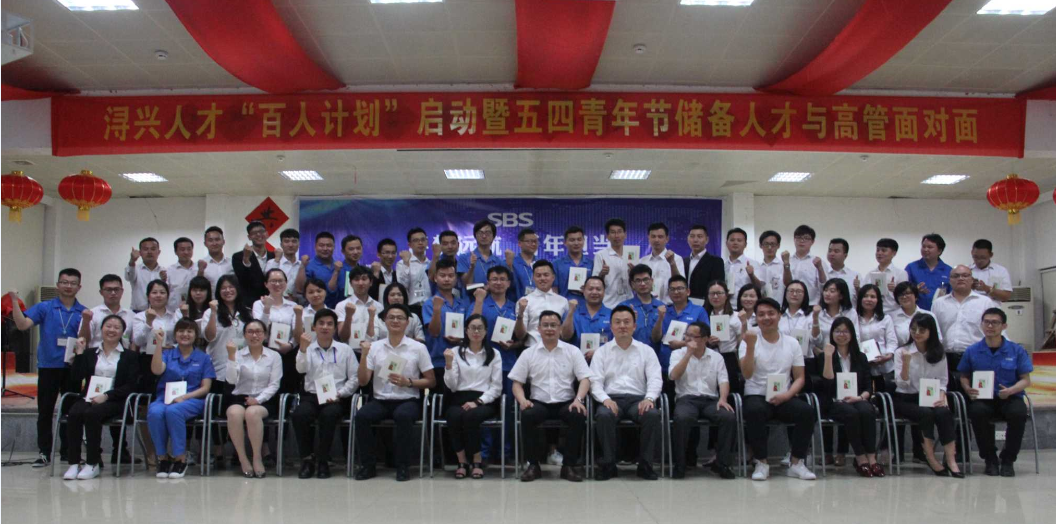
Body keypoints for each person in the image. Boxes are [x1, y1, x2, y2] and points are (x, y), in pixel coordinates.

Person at [739, 298, 817, 481]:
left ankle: (796, 463)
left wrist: (787, 395)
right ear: (756, 317)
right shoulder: (748, 340)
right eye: (761, 314)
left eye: (771, 313)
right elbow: (747, 374)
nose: (766, 318)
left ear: (779, 315)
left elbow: (800, 377)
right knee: (755, 411)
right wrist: (750, 347)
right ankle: (761, 462)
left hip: (784, 395)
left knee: (807, 412)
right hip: (757, 394)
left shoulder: (792, 343)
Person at [355, 304, 436, 482]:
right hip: (381, 400)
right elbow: (363, 381)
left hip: (408, 399)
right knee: (361, 416)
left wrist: (409, 382)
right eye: (391, 317)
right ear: (385, 321)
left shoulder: (418, 347)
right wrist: (363, 356)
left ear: (407, 322)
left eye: (400, 318)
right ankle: (368, 465)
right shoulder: (374, 347)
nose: (395, 321)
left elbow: (431, 381)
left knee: (403, 416)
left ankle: (403, 466)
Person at [510, 310, 592, 482]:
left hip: (566, 402)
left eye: (553, 325)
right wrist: (523, 400)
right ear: (538, 329)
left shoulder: (572, 351)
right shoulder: (529, 353)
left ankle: (568, 466)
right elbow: (517, 383)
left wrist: (578, 400)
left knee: (577, 414)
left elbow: (585, 379)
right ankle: (533, 465)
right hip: (539, 402)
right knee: (527, 414)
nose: (549, 329)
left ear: (560, 328)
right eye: (545, 325)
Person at [590, 306, 663, 481]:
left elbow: (655, 378)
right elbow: (594, 382)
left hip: (638, 400)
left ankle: (645, 465)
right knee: (604, 415)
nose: (622, 326)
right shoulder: (601, 352)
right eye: (618, 322)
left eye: (626, 322)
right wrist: (605, 399)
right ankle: (608, 465)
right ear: (611, 327)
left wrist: (649, 398)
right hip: (611, 398)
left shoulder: (646, 351)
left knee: (652, 414)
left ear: (634, 326)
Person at [61, 316, 139, 480]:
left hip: (116, 400)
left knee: (92, 414)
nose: (112, 330)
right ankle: (74, 463)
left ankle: (92, 463)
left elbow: (131, 385)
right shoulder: (90, 353)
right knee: (74, 413)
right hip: (89, 397)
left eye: (116, 327)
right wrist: (79, 353)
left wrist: (107, 395)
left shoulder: (130, 356)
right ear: (101, 329)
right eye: (108, 326)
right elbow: (75, 378)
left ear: (122, 333)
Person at [958, 308, 1032, 477]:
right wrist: (967, 388)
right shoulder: (972, 350)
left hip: (1010, 397)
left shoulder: (1016, 350)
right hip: (983, 398)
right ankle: (990, 458)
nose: (990, 326)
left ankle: (1008, 459)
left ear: (1004, 326)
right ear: (982, 325)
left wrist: (1011, 390)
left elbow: (1026, 380)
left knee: (1018, 413)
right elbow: (964, 376)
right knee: (977, 412)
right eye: (986, 322)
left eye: (995, 322)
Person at [893, 313, 963, 477]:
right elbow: (901, 384)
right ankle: (931, 458)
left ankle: (951, 460)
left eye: (922, 330)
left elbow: (943, 380)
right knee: (926, 414)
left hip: (930, 396)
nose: (917, 333)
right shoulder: (901, 352)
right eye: (913, 329)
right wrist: (906, 364)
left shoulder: (939, 352)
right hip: (906, 398)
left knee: (944, 412)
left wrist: (942, 396)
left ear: (931, 331)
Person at [293, 309, 358, 479]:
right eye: (321, 323)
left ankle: (323, 460)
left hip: (336, 397)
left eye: (329, 324)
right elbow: (301, 369)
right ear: (314, 327)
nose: (325, 327)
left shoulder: (345, 350)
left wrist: (341, 393)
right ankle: (307, 460)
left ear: (335, 328)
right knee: (300, 415)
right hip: (311, 395)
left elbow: (354, 378)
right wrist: (302, 349)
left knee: (329, 415)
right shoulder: (307, 348)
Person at [147, 318, 216, 479]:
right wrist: (159, 344)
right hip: (165, 399)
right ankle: (163, 458)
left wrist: (184, 397)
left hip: (192, 400)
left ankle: (180, 458)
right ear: (175, 334)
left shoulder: (203, 358)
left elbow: (205, 388)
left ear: (196, 335)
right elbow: (156, 370)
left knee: (174, 411)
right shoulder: (167, 354)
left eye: (189, 331)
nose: (185, 334)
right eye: (181, 331)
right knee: (155, 411)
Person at [669, 322, 736, 479]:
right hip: (686, 399)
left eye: (693, 336)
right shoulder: (677, 354)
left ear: (705, 339)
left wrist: (723, 398)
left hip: (710, 399)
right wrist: (688, 354)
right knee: (682, 418)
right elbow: (673, 376)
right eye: (687, 335)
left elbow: (723, 380)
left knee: (728, 417)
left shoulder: (716, 357)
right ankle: (680, 464)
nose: (688, 339)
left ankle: (723, 464)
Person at [820, 318, 884, 477]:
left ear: (852, 334)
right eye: (837, 331)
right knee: (851, 413)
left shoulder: (861, 357)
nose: (841, 335)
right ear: (832, 334)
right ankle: (860, 458)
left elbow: (869, 386)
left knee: (867, 410)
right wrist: (828, 357)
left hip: (857, 399)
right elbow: (827, 383)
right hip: (834, 401)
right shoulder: (825, 356)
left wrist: (860, 397)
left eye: (845, 331)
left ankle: (872, 458)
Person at [201, 274, 254, 465]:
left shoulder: (246, 312)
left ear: (237, 289)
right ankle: (219, 450)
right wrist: (213, 313)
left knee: (238, 411)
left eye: (231, 287)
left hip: (242, 370)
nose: (228, 291)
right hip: (218, 368)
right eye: (223, 288)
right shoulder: (210, 312)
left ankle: (239, 452)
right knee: (218, 410)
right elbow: (209, 337)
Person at [468, 266, 520, 462]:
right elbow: (472, 325)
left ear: (509, 283)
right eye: (494, 279)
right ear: (488, 283)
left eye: (502, 279)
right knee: (484, 407)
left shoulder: (515, 306)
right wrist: (479, 301)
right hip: (483, 364)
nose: (498, 282)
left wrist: (514, 344)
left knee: (508, 409)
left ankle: (505, 453)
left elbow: (522, 337)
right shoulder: (479, 303)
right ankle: (484, 453)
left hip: (508, 363)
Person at [442, 314, 503, 479]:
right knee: (453, 416)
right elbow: (452, 385)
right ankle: (462, 462)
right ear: (466, 331)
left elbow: (496, 387)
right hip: (459, 397)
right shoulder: (455, 352)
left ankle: (477, 461)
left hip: (485, 400)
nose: (476, 331)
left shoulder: (494, 354)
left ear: (486, 331)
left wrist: (478, 401)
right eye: (473, 328)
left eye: (480, 328)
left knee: (471, 416)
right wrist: (448, 364)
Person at [224, 319, 282, 478]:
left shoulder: (274, 356)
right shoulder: (237, 354)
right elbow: (231, 380)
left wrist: (258, 400)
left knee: (252, 413)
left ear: (265, 335)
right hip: (240, 397)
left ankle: (257, 457)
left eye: (258, 332)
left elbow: (274, 384)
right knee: (234, 413)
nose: (254, 335)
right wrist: (231, 357)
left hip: (265, 399)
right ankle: (243, 458)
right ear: (244, 335)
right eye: (250, 332)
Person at [932, 265, 999, 386]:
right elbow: (933, 332)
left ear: (972, 279)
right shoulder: (938, 303)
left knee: (977, 393)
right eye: (956, 276)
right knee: (949, 393)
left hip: (977, 357)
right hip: (946, 358)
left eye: (965, 275)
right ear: (950, 280)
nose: (960, 278)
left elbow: (995, 331)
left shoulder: (985, 302)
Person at [423, 258, 472, 390]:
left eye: (450, 276)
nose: (446, 279)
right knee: (440, 398)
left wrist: (461, 339)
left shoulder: (463, 303)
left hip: (462, 360)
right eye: (442, 275)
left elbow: (470, 330)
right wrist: (437, 309)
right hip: (438, 360)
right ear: (435, 278)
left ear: (456, 279)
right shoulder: (429, 303)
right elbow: (434, 332)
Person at [652, 275, 709, 376]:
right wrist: (660, 318)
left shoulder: (699, 311)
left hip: (691, 366)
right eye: (672, 289)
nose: (676, 292)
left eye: (680, 288)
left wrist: (682, 344)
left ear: (688, 291)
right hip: (665, 364)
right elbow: (655, 338)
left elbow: (705, 339)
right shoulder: (663, 310)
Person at [515, 260, 570, 347]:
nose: (542, 278)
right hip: (531, 348)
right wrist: (520, 314)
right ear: (533, 278)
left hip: (558, 348)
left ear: (553, 277)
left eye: (546, 275)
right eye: (538, 275)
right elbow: (520, 335)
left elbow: (566, 334)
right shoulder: (524, 301)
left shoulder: (563, 301)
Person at [856, 284, 898, 394]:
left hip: (884, 365)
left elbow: (892, 341)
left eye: (873, 296)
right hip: (862, 365)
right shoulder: (854, 318)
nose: (869, 299)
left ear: (878, 300)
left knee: (886, 396)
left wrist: (888, 355)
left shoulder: (886, 318)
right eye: (865, 296)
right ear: (860, 299)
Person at [77, 274, 134, 349]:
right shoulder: (92, 314)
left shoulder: (131, 315)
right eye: (109, 290)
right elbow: (82, 341)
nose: (113, 293)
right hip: (96, 354)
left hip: (124, 355)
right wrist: (86, 321)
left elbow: (134, 343)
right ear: (101, 292)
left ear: (122, 291)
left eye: (116, 289)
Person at [561, 276, 613, 357]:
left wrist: (598, 353)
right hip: (576, 360)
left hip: (604, 360)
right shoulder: (573, 312)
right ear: (583, 290)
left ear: (604, 292)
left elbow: (617, 343)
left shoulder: (612, 315)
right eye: (590, 289)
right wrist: (570, 312)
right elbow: (565, 337)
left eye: (598, 289)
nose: (594, 292)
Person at [252, 269, 298, 356]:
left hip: (289, 350)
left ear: (286, 283)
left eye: (280, 281)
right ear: (266, 284)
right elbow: (259, 329)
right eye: (273, 281)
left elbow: (296, 330)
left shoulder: (293, 306)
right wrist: (267, 308)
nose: (277, 284)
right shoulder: (259, 304)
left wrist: (291, 345)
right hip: (265, 349)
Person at [593, 218, 635, 308]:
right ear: (607, 236)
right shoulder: (601, 255)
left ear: (625, 234)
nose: (617, 236)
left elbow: (637, 282)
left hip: (629, 302)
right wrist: (602, 274)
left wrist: (634, 273)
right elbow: (595, 282)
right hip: (608, 304)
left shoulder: (632, 253)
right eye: (613, 232)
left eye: (619, 232)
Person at [620, 265, 664, 349]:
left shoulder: (662, 307)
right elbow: (619, 337)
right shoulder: (624, 307)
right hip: (630, 353)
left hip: (656, 354)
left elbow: (661, 338)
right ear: (632, 284)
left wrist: (660, 318)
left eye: (646, 279)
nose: (643, 284)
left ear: (652, 281)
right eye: (638, 281)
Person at [336, 266, 382, 346]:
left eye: (364, 279)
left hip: (375, 350)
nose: (360, 283)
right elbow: (343, 338)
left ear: (371, 282)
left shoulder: (379, 306)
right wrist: (348, 316)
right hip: (350, 351)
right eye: (356, 279)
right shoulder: (342, 305)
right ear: (350, 283)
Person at [905, 233, 952, 311]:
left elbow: (953, 294)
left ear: (939, 251)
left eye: (930, 247)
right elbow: (903, 290)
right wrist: (915, 290)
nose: (925, 249)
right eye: (923, 246)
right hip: (916, 312)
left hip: (941, 311)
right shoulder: (911, 267)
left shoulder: (948, 270)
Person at [782, 225, 826, 307]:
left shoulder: (818, 262)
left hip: (811, 305)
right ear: (794, 239)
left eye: (806, 238)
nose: (802, 241)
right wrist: (786, 264)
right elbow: (786, 284)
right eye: (798, 237)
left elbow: (824, 286)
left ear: (812, 241)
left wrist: (820, 268)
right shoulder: (787, 260)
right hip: (790, 305)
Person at [232, 221, 275, 303]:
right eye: (254, 233)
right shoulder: (238, 256)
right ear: (249, 237)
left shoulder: (274, 256)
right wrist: (246, 259)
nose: (258, 235)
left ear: (267, 234)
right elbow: (242, 279)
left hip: (272, 302)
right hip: (249, 303)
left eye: (261, 231)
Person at [641, 222, 683, 304]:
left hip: (670, 306)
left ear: (667, 239)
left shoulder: (677, 259)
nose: (656, 240)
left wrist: (672, 263)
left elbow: (680, 283)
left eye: (660, 237)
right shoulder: (642, 261)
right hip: (647, 306)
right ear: (648, 238)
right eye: (653, 236)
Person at [457, 219, 507, 288]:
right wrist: (472, 267)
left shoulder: (499, 262)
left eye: (488, 233)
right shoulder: (464, 258)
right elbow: (466, 284)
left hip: (492, 295)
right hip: (472, 295)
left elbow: (503, 285)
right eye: (480, 233)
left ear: (493, 237)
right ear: (475, 236)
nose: (484, 236)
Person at [297, 231, 341, 308]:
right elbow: (301, 289)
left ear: (334, 247)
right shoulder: (308, 265)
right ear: (315, 247)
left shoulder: (339, 266)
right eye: (321, 245)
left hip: (337, 309)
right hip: (315, 310)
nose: (325, 248)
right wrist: (302, 266)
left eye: (329, 245)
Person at [891, 281, 943, 347]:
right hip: (901, 352)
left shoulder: (929, 315)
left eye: (907, 293)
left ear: (915, 296)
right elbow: (890, 342)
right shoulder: (891, 317)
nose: (904, 297)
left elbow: (938, 339)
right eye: (900, 295)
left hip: (926, 352)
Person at [684, 225, 726, 304]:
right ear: (688, 239)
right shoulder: (683, 261)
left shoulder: (716, 261)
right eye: (692, 236)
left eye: (700, 236)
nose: (695, 240)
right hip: (685, 304)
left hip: (706, 304)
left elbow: (718, 287)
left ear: (707, 240)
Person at [867, 238, 909, 317]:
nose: (879, 253)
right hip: (874, 313)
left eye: (883, 250)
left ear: (894, 253)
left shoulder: (900, 273)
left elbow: (905, 296)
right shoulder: (870, 274)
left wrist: (895, 290)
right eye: (877, 250)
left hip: (894, 313)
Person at [397, 227, 431, 316]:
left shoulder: (432, 264)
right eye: (416, 240)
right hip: (412, 308)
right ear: (410, 245)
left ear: (427, 242)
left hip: (430, 307)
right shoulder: (402, 263)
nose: (420, 243)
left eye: (423, 240)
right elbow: (402, 286)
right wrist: (406, 263)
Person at [553, 226, 594, 300]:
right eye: (572, 240)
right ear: (565, 242)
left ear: (584, 241)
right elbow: (554, 289)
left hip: (587, 304)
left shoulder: (592, 264)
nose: (576, 243)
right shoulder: (556, 264)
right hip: (564, 304)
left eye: (579, 239)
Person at [264, 228, 303, 302]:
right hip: (275, 302)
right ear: (281, 244)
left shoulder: (302, 265)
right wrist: (277, 260)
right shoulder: (272, 262)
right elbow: (268, 281)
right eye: (286, 241)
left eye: (294, 241)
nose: (290, 245)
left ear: (299, 244)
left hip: (297, 303)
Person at [126, 237, 163, 312]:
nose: (149, 252)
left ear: (158, 252)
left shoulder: (164, 272)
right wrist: (132, 261)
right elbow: (128, 277)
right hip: (137, 312)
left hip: (159, 312)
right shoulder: (135, 269)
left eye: (153, 249)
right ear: (140, 253)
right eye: (146, 249)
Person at [724, 228, 758, 309]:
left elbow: (759, 288)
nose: (735, 243)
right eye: (732, 240)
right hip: (725, 307)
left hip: (745, 307)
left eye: (739, 240)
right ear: (726, 243)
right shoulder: (722, 264)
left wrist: (752, 275)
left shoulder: (753, 264)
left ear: (745, 244)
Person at [165, 237, 199, 313]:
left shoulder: (199, 269)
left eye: (189, 249)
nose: (186, 252)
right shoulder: (169, 271)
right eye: (182, 249)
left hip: (195, 311)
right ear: (175, 252)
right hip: (173, 312)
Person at [430, 230, 466, 298]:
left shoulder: (461, 263)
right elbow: (431, 278)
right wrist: (435, 257)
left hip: (460, 302)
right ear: (440, 246)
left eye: (453, 243)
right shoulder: (435, 262)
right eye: (445, 244)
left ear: (458, 245)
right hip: (440, 301)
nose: (450, 246)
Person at [751, 230, 785, 301]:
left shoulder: (783, 266)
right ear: (760, 245)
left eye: (773, 244)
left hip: (779, 304)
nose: (769, 247)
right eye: (766, 244)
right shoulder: (756, 266)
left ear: (778, 246)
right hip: (760, 304)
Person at [199, 226, 234, 292]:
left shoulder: (232, 263)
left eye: (217, 239)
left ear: (223, 241)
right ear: (205, 244)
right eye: (210, 240)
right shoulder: (199, 266)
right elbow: (197, 287)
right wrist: (200, 271)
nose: (214, 243)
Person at [333, 235, 366, 301]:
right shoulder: (337, 269)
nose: (355, 252)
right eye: (351, 249)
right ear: (343, 251)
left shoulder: (365, 270)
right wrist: (336, 272)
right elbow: (331, 290)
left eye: (358, 248)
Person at [826, 238, 860, 303]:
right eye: (830, 251)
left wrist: (858, 289)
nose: (832, 254)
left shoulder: (854, 275)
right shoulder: (822, 274)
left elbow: (862, 299)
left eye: (836, 251)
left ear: (845, 255)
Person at [510, 228, 539, 300]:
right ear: (520, 243)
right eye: (529, 241)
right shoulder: (511, 262)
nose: (533, 244)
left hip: (537, 304)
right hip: (515, 303)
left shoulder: (540, 263)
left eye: (535, 241)